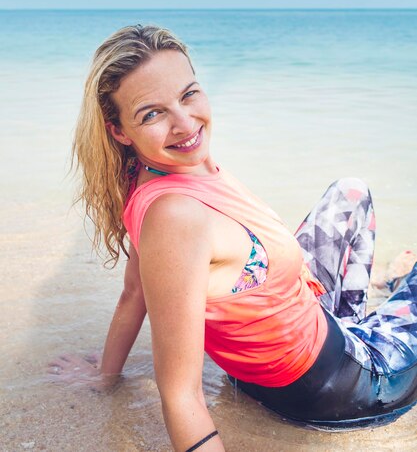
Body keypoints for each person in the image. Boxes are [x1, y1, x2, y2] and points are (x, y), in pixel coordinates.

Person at [49, 24, 417, 452]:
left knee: (350, 192)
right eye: (152, 114)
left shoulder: (161, 173)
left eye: (188, 94)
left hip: (299, 336)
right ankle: (386, 308)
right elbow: (181, 396)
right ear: (119, 131)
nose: (185, 124)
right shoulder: (176, 218)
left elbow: (135, 292)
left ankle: (373, 303)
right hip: (344, 387)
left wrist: (104, 375)